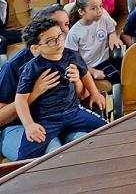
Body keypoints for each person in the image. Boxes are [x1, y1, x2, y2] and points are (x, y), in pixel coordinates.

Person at [12, 16, 106, 159]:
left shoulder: (71, 55)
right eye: (50, 41)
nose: (58, 42)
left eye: (60, 36)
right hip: (46, 119)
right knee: (25, 157)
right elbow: (20, 100)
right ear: (36, 48)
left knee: (108, 129)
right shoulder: (32, 68)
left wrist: (94, 93)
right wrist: (29, 125)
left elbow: (85, 73)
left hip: (74, 112)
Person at [66, 0, 122, 84]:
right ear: (81, 12)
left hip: (106, 59)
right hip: (87, 66)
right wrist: (92, 71)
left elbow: (111, 30)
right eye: (93, 8)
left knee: (129, 71)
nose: (99, 10)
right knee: (117, 78)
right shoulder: (74, 33)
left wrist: (113, 36)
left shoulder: (103, 17)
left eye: (100, 6)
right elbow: (72, 58)